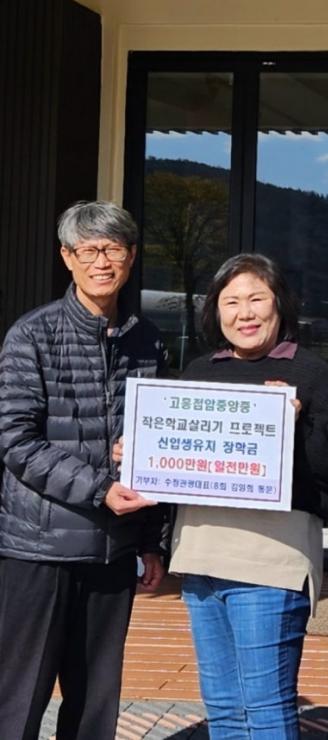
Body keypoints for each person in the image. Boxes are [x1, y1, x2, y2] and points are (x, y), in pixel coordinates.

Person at [168, 253, 328, 738]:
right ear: (215, 310)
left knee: (265, 709)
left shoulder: (309, 372)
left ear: (280, 305)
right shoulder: (198, 373)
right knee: (223, 710)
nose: (246, 313)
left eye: (257, 299)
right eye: (232, 301)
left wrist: (294, 426)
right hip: (200, 558)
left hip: (269, 565)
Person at [0, 201, 167, 740]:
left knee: (97, 700)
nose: (101, 262)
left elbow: (154, 448)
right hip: (39, 547)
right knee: (18, 696)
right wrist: (100, 488)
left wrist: (150, 543)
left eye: (112, 249)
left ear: (131, 257)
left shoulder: (147, 340)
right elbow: (15, 440)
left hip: (113, 549)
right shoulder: (32, 335)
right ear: (66, 257)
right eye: (88, 250)